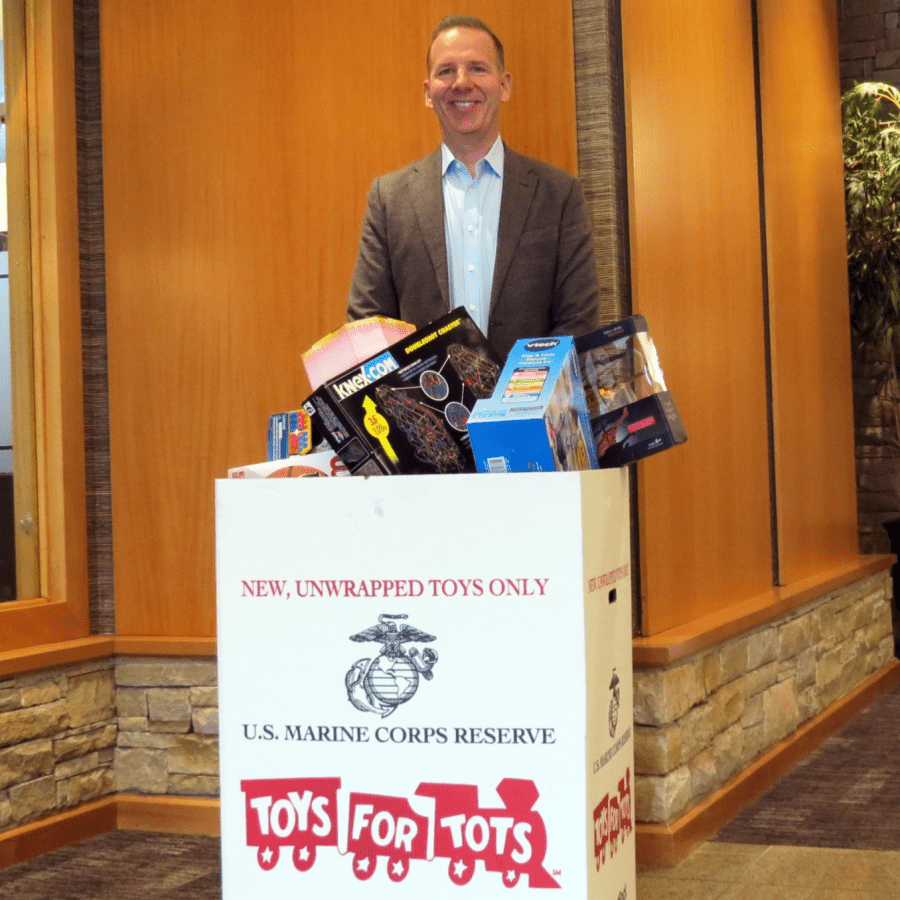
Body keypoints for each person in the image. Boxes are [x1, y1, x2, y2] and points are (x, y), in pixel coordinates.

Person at [346, 15, 600, 360]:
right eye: (446, 71)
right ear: (427, 92)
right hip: (426, 409)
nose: (461, 83)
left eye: (478, 68)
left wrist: (515, 405)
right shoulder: (389, 199)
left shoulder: (559, 195)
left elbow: (578, 322)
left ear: (504, 85)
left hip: (531, 410)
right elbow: (368, 326)